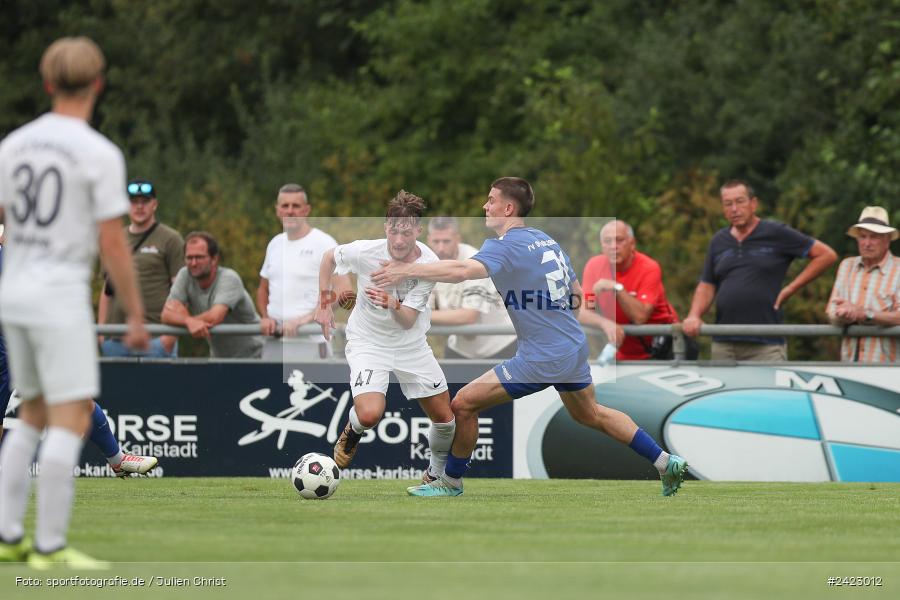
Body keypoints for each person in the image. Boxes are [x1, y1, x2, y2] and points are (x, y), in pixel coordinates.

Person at [373, 177, 688, 497]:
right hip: (571, 346)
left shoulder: (503, 245)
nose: (485, 205)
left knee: (463, 404)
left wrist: (406, 271)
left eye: (491, 200)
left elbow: (459, 273)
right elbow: (576, 298)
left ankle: (449, 482)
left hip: (543, 354)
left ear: (508, 208)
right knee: (590, 414)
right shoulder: (546, 240)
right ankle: (664, 461)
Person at [0, 37, 150, 567]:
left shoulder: (14, 144)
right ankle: (49, 545)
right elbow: (113, 243)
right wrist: (134, 313)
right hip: (57, 296)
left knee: (31, 415)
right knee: (70, 418)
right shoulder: (98, 153)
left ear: (46, 83)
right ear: (98, 84)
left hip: (12, 295)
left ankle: (9, 535)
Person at [314, 191, 455, 484]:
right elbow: (329, 258)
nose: (399, 240)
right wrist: (323, 303)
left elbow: (406, 322)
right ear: (385, 227)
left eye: (406, 232)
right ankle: (352, 431)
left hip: (410, 344)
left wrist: (391, 302)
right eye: (393, 230)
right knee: (368, 415)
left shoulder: (430, 263)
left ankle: (434, 474)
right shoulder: (365, 251)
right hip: (368, 342)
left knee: (445, 418)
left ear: (418, 230)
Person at [682, 179, 837, 360]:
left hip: (766, 344)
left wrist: (790, 289)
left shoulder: (775, 232)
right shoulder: (718, 241)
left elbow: (826, 255)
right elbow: (707, 284)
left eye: (740, 201)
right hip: (724, 342)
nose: (734, 209)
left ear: (753, 204)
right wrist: (694, 315)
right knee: (727, 390)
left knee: (768, 389)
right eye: (728, 204)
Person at [257, 184, 350, 361]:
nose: (290, 211)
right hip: (274, 343)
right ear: (277, 210)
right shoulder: (275, 244)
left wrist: (304, 320)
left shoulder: (324, 243)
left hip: (311, 343)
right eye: (285, 206)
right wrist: (265, 317)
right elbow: (263, 289)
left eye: (296, 206)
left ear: (306, 210)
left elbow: (344, 291)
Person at [99, 178, 184, 358]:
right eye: (134, 202)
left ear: (154, 204)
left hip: (155, 337)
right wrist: (101, 331)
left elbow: (181, 291)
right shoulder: (114, 239)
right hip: (115, 339)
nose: (139, 207)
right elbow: (106, 290)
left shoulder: (171, 239)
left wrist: (169, 337)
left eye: (145, 202)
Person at [580, 220, 682, 360]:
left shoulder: (649, 267)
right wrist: (605, 323)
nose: (613, 247)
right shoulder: (594, 267)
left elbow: (640, 317)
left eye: (619, 240)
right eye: (607, 241)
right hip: (626, 353)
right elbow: (583, 311)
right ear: (601, 246)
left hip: (665, 349)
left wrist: (616, 288)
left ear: (632, 243)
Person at [426, 216, 517, 359]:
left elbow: (468, 316)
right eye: (436, 242)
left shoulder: (476, 261)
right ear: (428, 240)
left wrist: (420, 314)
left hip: (500, 345)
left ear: (457, 239)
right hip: (460, 348)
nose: (441, 248)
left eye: (446, 241)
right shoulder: (426, 263)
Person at [162, 231, 264, 358]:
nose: (193, 263)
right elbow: (166, 314)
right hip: (220, 359)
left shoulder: (229, 278)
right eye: (189, 258)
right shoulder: (184, 275)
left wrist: (183, 320)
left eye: (199, 257)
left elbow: (215, 317)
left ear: (214, 259)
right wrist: (188, 321)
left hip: (256, 357)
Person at [826, 206, 900, 362]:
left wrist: (866, 314)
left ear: (887, 240)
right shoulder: (847, 265)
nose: (867, 243)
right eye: (862, 236)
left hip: (890, 368)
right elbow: (831, 311)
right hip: (849, 364)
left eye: (874, 237)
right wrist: (842, 316)